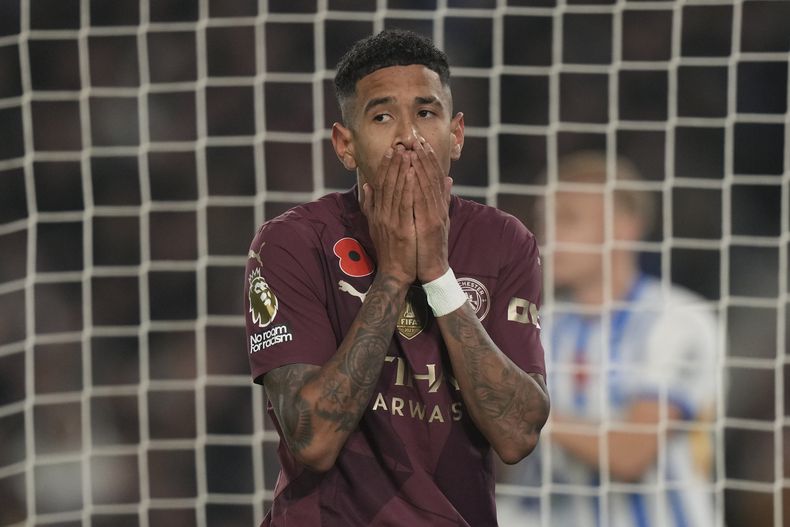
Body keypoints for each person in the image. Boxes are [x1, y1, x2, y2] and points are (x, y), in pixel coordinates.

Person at [243, 29, 549, 526]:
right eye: (382, 116)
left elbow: (517, 434)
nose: (409, 136)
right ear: (346, 145)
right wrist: (393, 275)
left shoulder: (504, 242)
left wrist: (437, 275)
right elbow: (313, 440)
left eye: (426, 113)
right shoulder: (292, 244)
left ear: (456, 134)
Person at [497, 151, 717, 527]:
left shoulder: (678, 320)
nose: (548, 236)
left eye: (568, 219)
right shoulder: (537, 326)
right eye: (544, 221)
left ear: (625, 226)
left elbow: (632, 453)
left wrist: (523, 413)